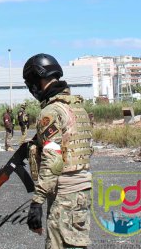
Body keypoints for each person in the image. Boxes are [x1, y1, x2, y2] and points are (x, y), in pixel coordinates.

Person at [23, 53, 93, 248]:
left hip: (64, 194)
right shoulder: (76, 107)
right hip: (82, 192)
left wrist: (37, 201)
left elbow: (54, 161)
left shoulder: (51, 112)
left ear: (37, 79)